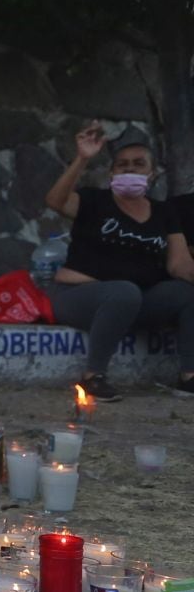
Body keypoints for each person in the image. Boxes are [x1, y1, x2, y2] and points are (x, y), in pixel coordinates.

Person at [45, 122, 194, 400]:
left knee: (186, 292)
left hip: (137, 301)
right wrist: (82, 158)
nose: (130, 169)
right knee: (123, 291)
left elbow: (180, 265)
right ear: (112, 172)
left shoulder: (164, 213)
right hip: (79, 295)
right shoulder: (93, 201)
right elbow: (55, 201)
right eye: (122, 164)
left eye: (139, 164)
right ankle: (93, 377)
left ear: (152, 174)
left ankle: (189, 378)